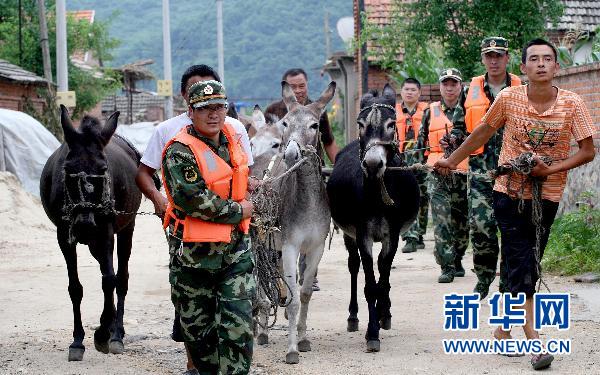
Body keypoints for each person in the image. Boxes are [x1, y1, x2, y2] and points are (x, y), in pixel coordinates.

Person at [434, 38, 595, 370]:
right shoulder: (509, 98)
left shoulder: (572, 103)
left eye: (547, 59)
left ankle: (503, 328)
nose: (540, 64)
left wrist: (551, 168)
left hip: (547, 196)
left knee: (524, 263)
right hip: (507, 191)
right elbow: (481, 133)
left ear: (556, 67)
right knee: (522, 263)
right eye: (533, 59)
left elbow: (587, 150)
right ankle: (534, 342)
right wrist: (451, 160)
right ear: (523, 67)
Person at [135, 64, 253, 375]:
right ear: (191, 111)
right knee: (200, 339)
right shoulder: (178, 150)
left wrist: (252, 197)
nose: (214, 115)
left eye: (219, 107)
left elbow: (242, 179)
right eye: (205, 109)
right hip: (194, 259)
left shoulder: (234, 140)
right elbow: (193, 199)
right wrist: (238, 211)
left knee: (238, 328)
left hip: (235, 253)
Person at [265, 68, 339, 291]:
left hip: (312, 171)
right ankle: (277, 270)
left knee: (317, 213)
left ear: (307, 86)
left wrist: (339, 165)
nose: (298, 90)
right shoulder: (274, 110)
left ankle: (309, 273)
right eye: (293, 86)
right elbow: (261, 137)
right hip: (282, 169)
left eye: (301, 86)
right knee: (278, 215)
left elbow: (328, 142)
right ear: (286, 88)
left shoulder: (317, 111)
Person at [466, 37, 522, 298]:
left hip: (512, 173)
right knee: (481, 226)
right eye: (489, 55)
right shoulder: (473, 88)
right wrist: (454, 139)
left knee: (510, 229)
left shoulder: (522, 88)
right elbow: (460, 125)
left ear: (507, 58)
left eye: (499, 55)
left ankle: (507, 282)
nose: (494, 59)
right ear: (483, 58)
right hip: (480, 172)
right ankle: (484, 278)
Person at [413, 68, 469, 283]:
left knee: (462, 222)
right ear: (440, 87)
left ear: (460, 86)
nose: (449, 87)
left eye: (453, 83)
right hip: (437, 174)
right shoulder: (430, 111)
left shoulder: (469, 111)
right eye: (445, 83)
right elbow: (420, 145)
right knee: (442, 221)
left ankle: (458, 259)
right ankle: (446, 266)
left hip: (463, 174)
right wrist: (417, 171)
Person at [395, 77, 430, 253]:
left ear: (419, 93)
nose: (409, 92)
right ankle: (409, 236)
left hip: (422, 160)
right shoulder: (393, 112)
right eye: (406, 89)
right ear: (401, 92)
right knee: (403, 198)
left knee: (423, 197)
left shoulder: (427, 111)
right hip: (400, 162)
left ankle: (420, 234)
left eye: (413, 90)